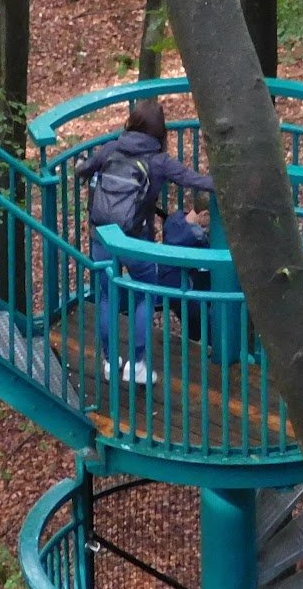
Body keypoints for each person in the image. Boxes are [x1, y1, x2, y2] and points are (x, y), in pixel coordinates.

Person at [75, 97, 215, 386]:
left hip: (101, 233)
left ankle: (110, 362)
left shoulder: (112, 148)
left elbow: (85, 170)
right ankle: (137, 364)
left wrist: (80, 166)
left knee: (105, 296)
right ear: (160, 133)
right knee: (145, 295)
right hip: (135, 239)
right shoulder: (159, 161)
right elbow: (194, 180)